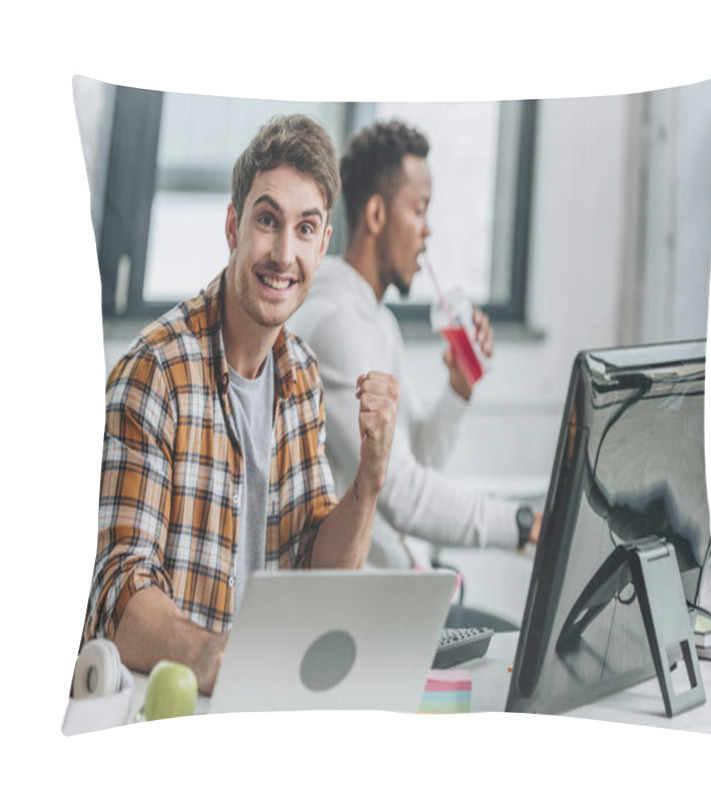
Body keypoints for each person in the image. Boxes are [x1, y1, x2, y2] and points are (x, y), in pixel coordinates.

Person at [82, 115, 400, 695]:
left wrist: (371, 481)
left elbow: (319, 570)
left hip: (273, 694)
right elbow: (116, 591)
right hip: (169, 707)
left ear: (324, 244)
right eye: (267, 221)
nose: (283, 253)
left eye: (305, 229)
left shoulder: (300, 375)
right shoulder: (155, 373)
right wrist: (208, 655)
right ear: (233, 225)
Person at [289, 120, 540, 571]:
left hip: (393, 584)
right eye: (419, 209)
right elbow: (401, 492)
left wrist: (458, 391)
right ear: (377, 215)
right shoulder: (338, 325)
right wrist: (521, 523)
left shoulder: (378, 321)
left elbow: (416, 456)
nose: (427, 231)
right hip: (349, 601)